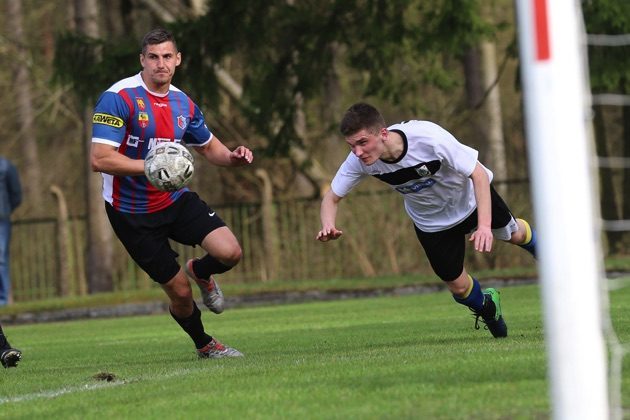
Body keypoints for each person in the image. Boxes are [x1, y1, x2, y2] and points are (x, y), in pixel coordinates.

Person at [90, 28, 253, 358]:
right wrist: (152, 165)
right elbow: (99, 158)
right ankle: (205, 344)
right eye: (153, 57)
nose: (160, 64)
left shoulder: (182, 102)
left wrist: (233, 157)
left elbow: (209, 147)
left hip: (174, 199)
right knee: (179, 292)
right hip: (130, 212)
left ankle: (202, 272)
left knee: (230, 251)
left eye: (167, 56)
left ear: (177, 60)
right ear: (142, 60)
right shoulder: (118, 98)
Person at [316, 103, 537, 338]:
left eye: (362, 143)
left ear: (383, 133)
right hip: (432, 222)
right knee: (459, 288)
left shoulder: (428, 137)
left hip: (470, 201)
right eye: (352, 146)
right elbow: (331, 197)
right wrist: (328, 224)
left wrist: (483, 225)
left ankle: (550, 255)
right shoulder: (358, 162)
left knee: (516, 235)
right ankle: (488, 307)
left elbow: (478, 174)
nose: (358, 152)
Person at [0, 156, 22, 307]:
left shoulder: (6, 166)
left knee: (0, 259)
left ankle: (3, 300)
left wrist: (5, 211)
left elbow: (16, 195)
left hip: (1, 219)